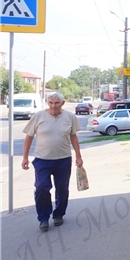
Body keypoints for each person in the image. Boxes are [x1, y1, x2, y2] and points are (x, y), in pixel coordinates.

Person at [21, 92, 83, 231]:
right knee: (41, 187)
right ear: (47, 103)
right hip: (42, 160)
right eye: (50, 103)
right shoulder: (39, 116)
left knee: (62, 188)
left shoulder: (70, 117)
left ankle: (59, 214)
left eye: (56, 103)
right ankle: (43, 218)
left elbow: (73, 137)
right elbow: (29, 137)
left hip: (63, 159)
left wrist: (78, 156)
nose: (53, 106)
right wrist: (25, 157)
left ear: (62, 103)